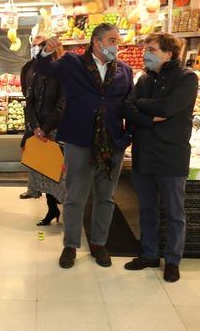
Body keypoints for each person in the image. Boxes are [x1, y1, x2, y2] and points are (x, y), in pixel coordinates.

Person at [36, 23, 133, 269]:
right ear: (96, 42)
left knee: (105, 197)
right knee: (74, 196)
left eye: (117, 41)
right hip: (79, 140)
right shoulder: (72, 64)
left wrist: (128, 136)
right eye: (112, 40)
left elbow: (130, 105)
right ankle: (70, 245)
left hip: (112, 143)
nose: (116, 45)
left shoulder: (124, 71)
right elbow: (42, 67)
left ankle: (100, 243)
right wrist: (46, 50)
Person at [123, 33, 198, 283]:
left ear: (168, 53)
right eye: (146, 49)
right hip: (144, 151)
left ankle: (173, 260)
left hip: (171, 154)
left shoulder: (187, 78)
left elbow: (169, 108)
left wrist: (143, 105)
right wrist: (147, 112)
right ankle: (149, 254)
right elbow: (128, 107)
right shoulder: (144, 78)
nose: (146, 53)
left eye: (152, 49)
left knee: (175, 212)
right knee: (147, 208)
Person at [20, 35, 66, 223]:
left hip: (56, 130)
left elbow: (62, 105)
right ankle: (52, 209)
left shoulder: (63, 74)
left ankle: (63, 210)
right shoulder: (34, 72)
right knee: (43, 170)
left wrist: (45, 128)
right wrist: (35, 127)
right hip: (38, 129)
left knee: (58, 174)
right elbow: (29, 101)